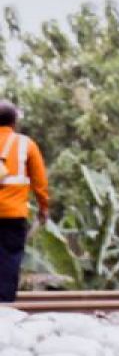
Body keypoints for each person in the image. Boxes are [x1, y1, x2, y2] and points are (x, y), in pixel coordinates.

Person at [0, 100, 49, 302]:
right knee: (10, 257)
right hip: (13, 213)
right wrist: (43, 208)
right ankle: (4, 305)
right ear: (15, 122)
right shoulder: (26, 144)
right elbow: (40, 182)